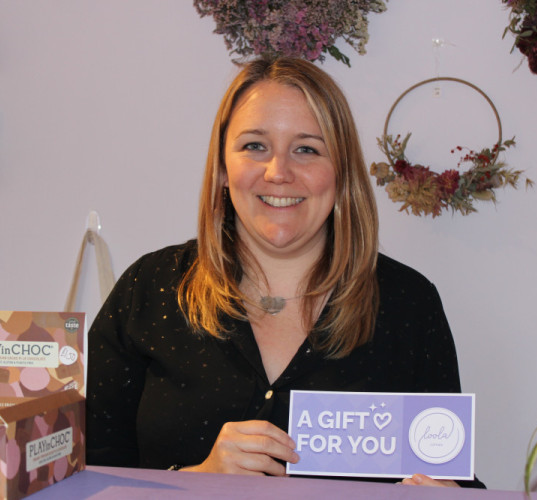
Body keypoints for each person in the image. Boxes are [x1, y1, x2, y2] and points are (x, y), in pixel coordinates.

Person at [85, 57, 483, 488]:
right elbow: (86, 477)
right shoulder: (149, 288)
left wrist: (447, 493)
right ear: (222, 168)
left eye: (307, 149)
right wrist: (197, 480)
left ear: (341, 172)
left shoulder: (408, 304)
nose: (278, 173)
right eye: (255, 146)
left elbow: (449, 472)